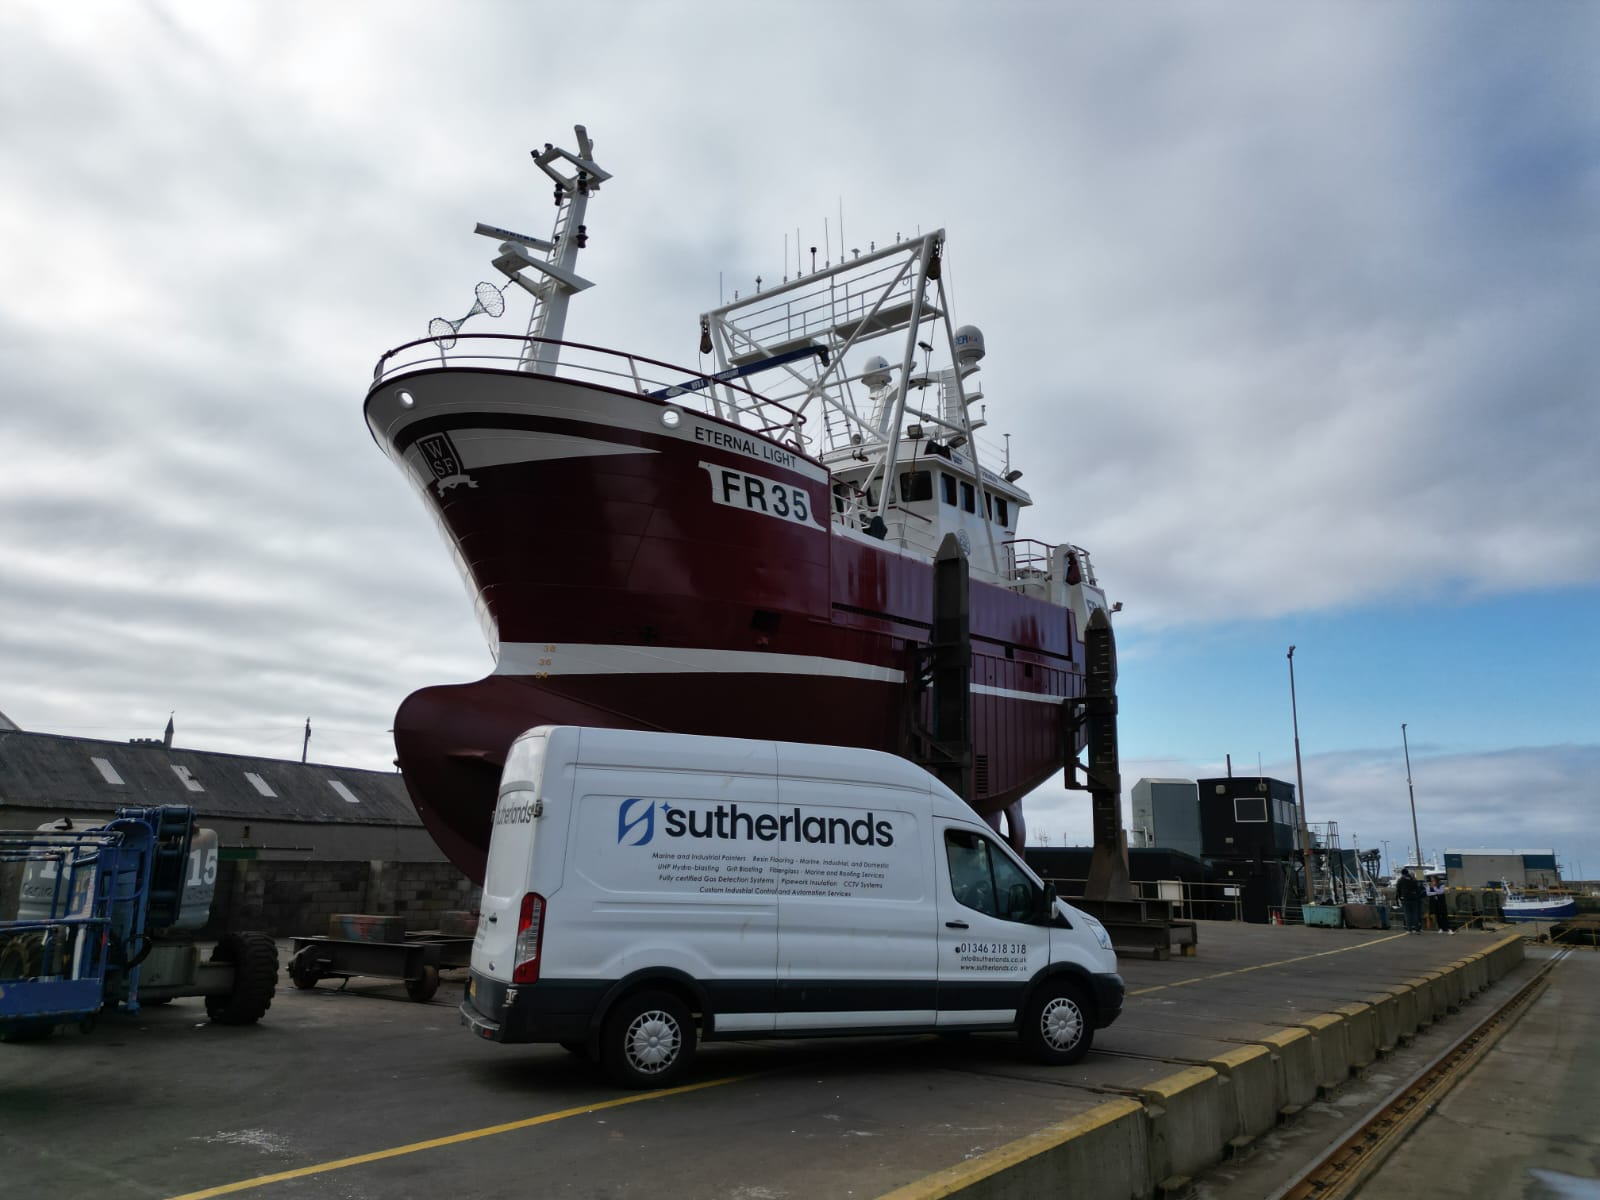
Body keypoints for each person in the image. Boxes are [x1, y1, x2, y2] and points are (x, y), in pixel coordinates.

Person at [1396, 867, 1424, 934]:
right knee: (1415, 913)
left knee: (1407, 914)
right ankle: (1417, 929)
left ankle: (1409, 929)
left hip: (1405, 898)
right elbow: (1417, 888)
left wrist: (1400, 898)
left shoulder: (1400, 880)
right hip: (1414, 898)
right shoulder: (1413, 879)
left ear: (1402, 873)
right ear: (1407, 873)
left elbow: (1398, 890)